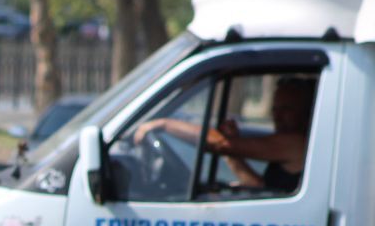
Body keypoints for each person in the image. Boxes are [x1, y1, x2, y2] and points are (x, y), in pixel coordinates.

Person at [133, 76, 314, 192]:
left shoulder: (298, 144)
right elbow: (260, 187)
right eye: (275, 109)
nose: (277, 116)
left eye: (287, 109)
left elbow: (219, 143)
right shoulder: (289, 146)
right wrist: (232, 155)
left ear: (307, 112)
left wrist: (164, 124)